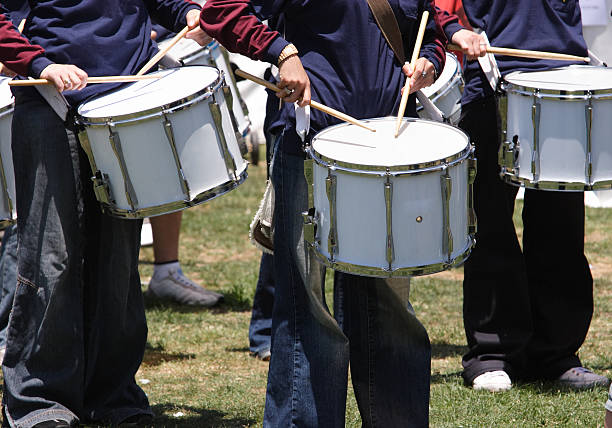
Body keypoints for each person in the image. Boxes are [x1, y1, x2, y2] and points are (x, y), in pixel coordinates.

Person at [201, 1, 446, 426]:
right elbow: (220, 11)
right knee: (307, 311)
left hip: (387, 148)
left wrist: (430, 60)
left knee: (390, 308)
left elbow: (431, 25)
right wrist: (281, 51)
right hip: (311, 143)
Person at [0, 2, 210, 426]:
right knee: (50, 261)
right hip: (49, 103)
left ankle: (114, 396)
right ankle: (39, 400)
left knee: (118, 263)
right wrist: (39, 63)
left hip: (125, 105)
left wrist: (186, 11)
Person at [441, 0, 610, 392]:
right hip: (492, 78)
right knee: (491, 224)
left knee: (561, 224)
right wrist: (451, 29)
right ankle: (492, 353)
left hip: (565, 76)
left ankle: (556, 354)